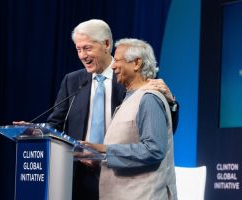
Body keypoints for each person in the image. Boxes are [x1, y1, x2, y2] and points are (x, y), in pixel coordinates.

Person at [44, 19, 179, 200]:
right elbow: (56, 125)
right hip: (79, 176)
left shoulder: (135, 81)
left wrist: (172, 104)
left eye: (87, 48)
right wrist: (35, 132)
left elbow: (161, 133)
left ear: (106, 44)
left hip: (125, 176)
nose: (82, 55)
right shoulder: (72, 81)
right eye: (78, 49)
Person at [80, 38, 177, 200]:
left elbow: (153, 150)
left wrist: (103, 149)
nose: (113, 66)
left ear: (137, 63)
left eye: (117, 60)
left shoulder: (149, 99)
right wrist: (100, 158)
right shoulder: (130, 98)